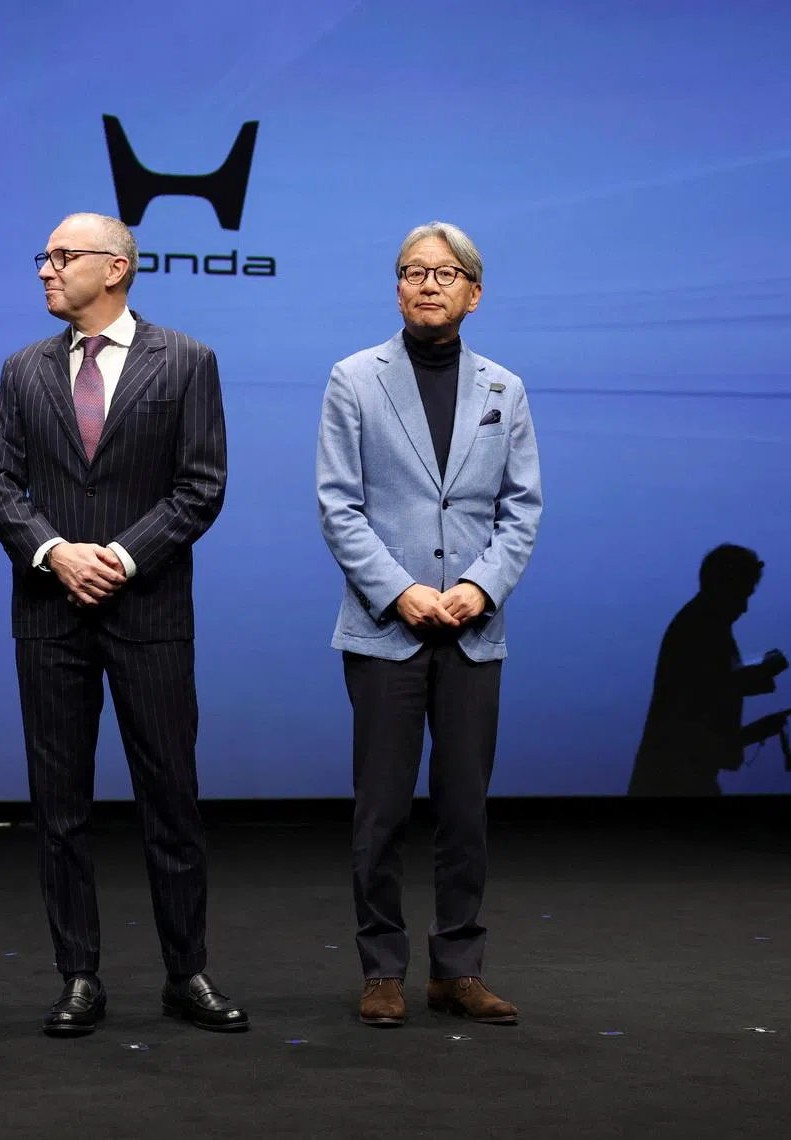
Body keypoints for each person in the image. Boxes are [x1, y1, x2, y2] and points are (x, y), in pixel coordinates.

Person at [0, 212, 247, 1036]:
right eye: (44, 255)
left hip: (149, 613)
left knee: (172, 800)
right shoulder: (23, 370)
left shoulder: (187, 361)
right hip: (50, 615)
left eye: (62, 256)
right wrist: (57, 553)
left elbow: (200, 487)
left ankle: (186, 971)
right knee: (59, 807)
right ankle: (78, 974)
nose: (46, 270)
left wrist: (119, 559)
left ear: (117, 267)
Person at [316, 221, 542, 1027]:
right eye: (412, 272)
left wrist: (480, 589)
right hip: (388, 628)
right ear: (398, 287)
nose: (427, 285)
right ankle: (382, 968)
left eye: (445, 274)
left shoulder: (503, 390)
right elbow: (339, 506)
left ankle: (458, 967)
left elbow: (521, 512)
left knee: (464, 808)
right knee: (380, 811)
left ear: (474, 292)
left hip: (473, 631)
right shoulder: (355, 378)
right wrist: (401, 590)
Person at [628, 545, 791, 797]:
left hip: (674, 774)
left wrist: (754, 730)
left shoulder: (698, 624)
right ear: (725, 586)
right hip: (676, 781)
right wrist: (758, 679)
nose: (744, 608)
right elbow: (707, 696)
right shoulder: (702, 629)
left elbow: (705, 699)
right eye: (742, 595)